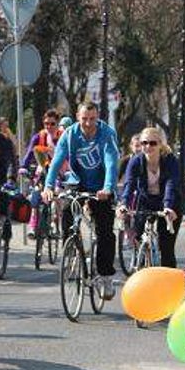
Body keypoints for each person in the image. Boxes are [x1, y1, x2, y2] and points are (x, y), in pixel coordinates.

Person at [42, 101, 120, 297]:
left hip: (102, 186)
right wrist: (48, 186)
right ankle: (72, 251)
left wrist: (108, 188)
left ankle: (105, 276)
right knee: (67, 213)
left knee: (105, 232)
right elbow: (57, 160)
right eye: (84, 119)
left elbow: (111, 162)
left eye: (92, 119)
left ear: (98, 117)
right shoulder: (70, 135)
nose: (88, 123)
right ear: (77, 117)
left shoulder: (107, 134)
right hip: (76, 182)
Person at [118, 126, 182, 268]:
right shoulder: (135, 161)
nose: (148, 147)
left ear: (160, 144)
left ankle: (169, 285)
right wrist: (124, 204)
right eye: (144, 143)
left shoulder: (170, 160)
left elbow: (171, 185)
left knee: (166, 248)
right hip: (146, 202)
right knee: (139, 238)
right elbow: (129, 185)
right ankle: (141, 271)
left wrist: (167, 206)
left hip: (170, 204)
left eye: (153, 143)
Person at [21, 109, 63, 237]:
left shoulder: (63, 136)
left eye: (52, 124)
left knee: (58, 196)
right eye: (46, 124)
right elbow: (29, 154)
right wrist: (23, 167)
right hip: (43, 171)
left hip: (60, 172)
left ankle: (56, 224)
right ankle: (33, 226)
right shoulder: (39, 136)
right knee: (36, 194)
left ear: (57, 123)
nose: (49, 127)